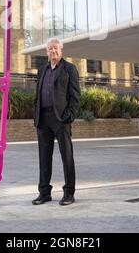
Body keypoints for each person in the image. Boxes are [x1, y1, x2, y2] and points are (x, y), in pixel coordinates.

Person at [32, 37, 81, 206]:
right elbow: (37, 95)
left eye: (56, 48)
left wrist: (69, 116)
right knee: (44, 158)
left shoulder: (69, 69)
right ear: (46, 52)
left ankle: (69, 193)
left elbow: (75, 97)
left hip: (61, 119)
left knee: (66, 156)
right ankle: (44, 193)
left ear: (61, 51)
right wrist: (36, 115)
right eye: (50, 49)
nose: (53, 51)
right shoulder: (42, 69)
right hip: (43, 119)